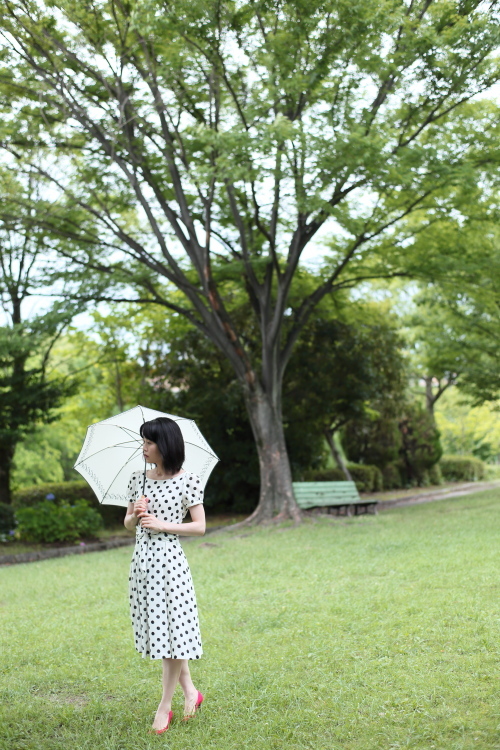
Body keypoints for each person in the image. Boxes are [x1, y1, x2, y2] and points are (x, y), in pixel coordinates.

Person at [124, 416, 206, 734]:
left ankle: (164, 706)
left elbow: (200, 527)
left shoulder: (188, 480)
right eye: (143, 442)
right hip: (141, 565)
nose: (143, 448)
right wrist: (135, 513)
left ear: (165, 445)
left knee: (171, 634)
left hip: (170, 566)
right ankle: (191, 693)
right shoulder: (137, 479)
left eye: (148, 442)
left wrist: (162, 524)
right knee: (165, 633)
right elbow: (127, 525)